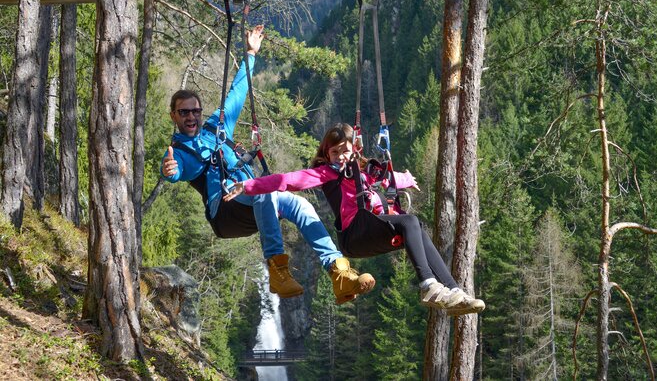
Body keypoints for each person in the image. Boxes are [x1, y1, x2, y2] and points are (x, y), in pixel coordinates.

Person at [161, 26, 374, 305]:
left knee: (301, 206)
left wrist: (250, 53)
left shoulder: (216, 127)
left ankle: (339, 273)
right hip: (226, 210)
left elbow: (237, 94)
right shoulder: (181, 152)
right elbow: (179, 172)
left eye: (195, 110)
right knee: (263, 191)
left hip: (251, 201)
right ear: (173, 116)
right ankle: (277, 270)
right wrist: (171, 173)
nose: (191, 116)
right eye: (184, 112)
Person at [224, 122, 486, 315]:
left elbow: (387, 179)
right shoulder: (326, 174)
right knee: (409, 223)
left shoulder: (362, 172)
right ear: (327, 155)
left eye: (345, 151)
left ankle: (453, 291)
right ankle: (428, 283)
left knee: (415, 230)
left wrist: (406, 179)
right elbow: (286, 180)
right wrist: (248, 186)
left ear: (354, 150)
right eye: (334, 152)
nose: (341, 157)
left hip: (371, 230)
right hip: (354, 235)